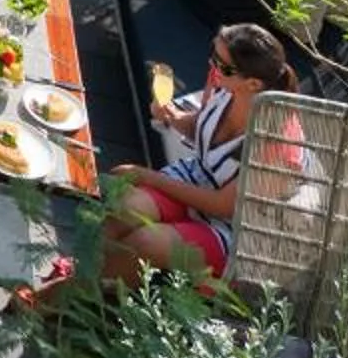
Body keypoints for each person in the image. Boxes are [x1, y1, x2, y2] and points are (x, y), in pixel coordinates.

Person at [91, 21, 297, 292]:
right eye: (213, 56)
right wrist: (172, 116)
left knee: (146, 242)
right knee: (122, 208)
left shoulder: (276, 142)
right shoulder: (224, 84)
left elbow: (222, 206)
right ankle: (88, 277)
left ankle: (79, 291)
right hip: (198, 178)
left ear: (253, 83)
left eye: (223, 65)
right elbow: (202, 125)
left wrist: (146, 176)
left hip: (235, 230)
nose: (213, 66)